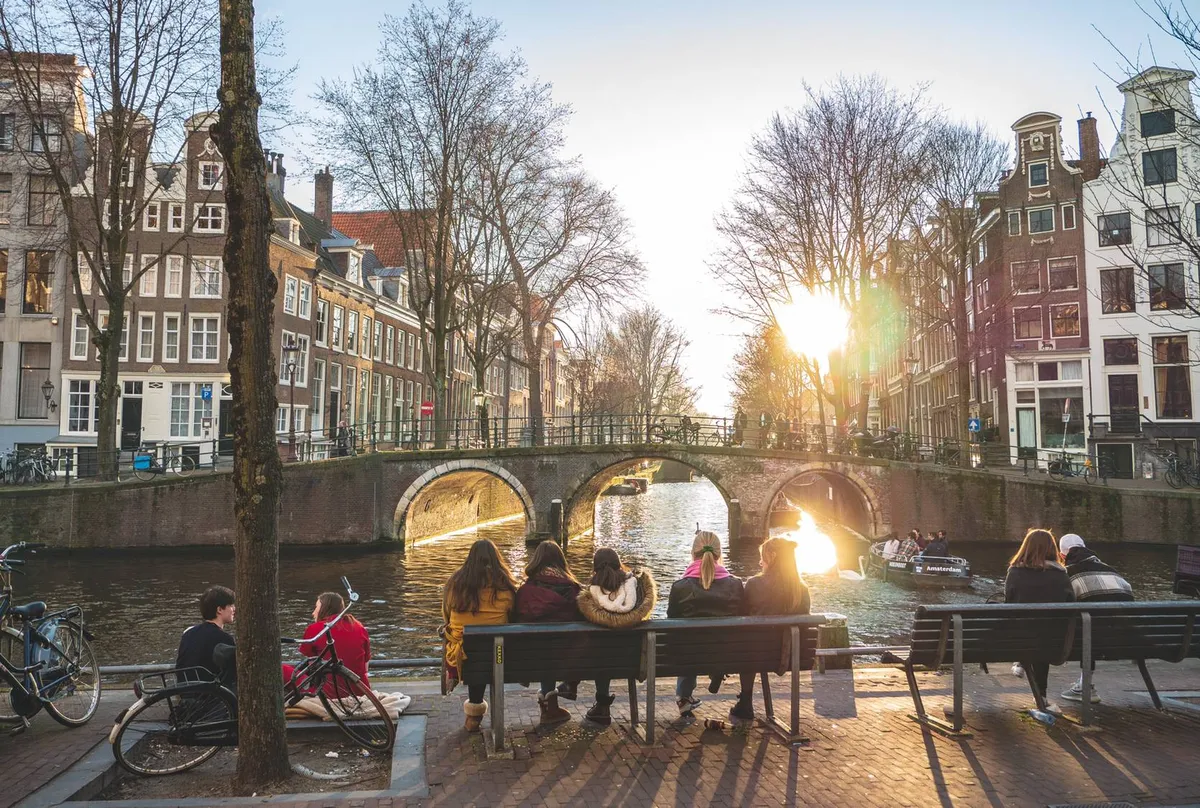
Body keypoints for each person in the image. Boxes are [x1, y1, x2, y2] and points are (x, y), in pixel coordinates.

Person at [442, 539, 518, 732]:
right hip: (499, 655)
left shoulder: (455, 583)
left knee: (472, 649)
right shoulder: (506, 585)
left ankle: (473, 716)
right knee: (491, 648)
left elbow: (446, 616)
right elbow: (513, 616)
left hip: (463, 655)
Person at [576, 548, 657, 726]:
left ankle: (602, 706)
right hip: (634, 661)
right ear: (619, 565)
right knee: (609, 651)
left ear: (595, 569)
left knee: (600, 651)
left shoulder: (592, 595)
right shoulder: (637, 590)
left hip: (600, 662)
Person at [667, 530, 745, 715]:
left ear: (693, 554)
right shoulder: (735, 585)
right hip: (727, 655)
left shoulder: (680, 587)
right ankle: (717, 671)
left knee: (686, 639)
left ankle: (684, 696)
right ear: (719, 555)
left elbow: (671, 626)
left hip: (689, 656)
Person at [733, 537, 811, 720]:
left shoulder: (753, 584)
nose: (760, 562)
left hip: (755, 655)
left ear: (772, 556)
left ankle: (746, 701)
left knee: (749, 642)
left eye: (763, 557)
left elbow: (741, 620)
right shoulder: (801, 590)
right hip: (790, 656)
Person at [1004, 528, 1075, 712]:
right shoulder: (1061, 574)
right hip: (1055, 642)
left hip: (1019, 640)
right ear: (1052, 548)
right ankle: (1041, 696)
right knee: (1044, 631)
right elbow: (1070, 604)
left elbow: (1008, 605)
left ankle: (1021, 661)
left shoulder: (1015, 572)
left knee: (1030, 630)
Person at [1058, 533, 1134, 703]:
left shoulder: (1067, 575)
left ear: (1062, 555)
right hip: (1127, 641)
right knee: (1093, 623)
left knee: (1085, 625)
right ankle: (1085, 683)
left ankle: (1084, 686)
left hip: (1089, 641)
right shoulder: (1113, 572)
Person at [514, 540, 583, 726]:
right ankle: (553, 703)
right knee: (557, 646)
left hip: (529, 659)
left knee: (544, 646)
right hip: (566, 658)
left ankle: (548, 705)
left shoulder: (525, 591)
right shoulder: (574, 590)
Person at [294, 591, 372, 696]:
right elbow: (365, 666)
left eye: (316, 607)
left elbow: (310, 660)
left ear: (324, 609)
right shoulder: (359, 627)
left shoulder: (314, 629)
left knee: (287, 672)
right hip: (360, 691)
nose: (313, 612)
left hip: (329, 693)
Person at [176, 585, 236, 683]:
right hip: (210, 695)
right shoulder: (224, 639)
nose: (234, 609)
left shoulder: (188, 633)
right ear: (219, 610)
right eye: (231, 605)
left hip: (184, 689)